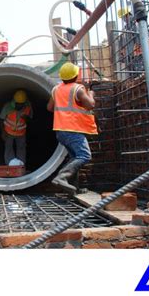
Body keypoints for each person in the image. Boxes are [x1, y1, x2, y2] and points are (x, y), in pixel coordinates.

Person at [46, 62, 98, 196]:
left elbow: (49, 108)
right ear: (76, 75)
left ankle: (74, 189)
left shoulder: (56, 89)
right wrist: (91, 93)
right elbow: (90, 105)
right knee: (84, 155)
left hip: (60, 130)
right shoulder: (78, 89)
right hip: (72, 129)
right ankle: (61, 177)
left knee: (75, 157)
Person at [0, 89, 32, 166]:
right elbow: (1, 118)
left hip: (21, 132)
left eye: (21, 104)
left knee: (21, 148)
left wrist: (26, 118)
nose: (19, 106)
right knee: (8, 148)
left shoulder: (28, 107)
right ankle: (10, 164)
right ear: (14, 101)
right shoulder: (8, 107)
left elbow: (31, 120)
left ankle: (21, 165)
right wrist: (3, 132)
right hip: (8, 131)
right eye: (17, 104)